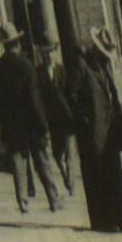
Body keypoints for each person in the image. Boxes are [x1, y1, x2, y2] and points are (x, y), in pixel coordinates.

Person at [0, 29, 61, 213]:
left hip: (11, 125)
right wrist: (43, 125)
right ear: (16, 43)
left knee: (18, 165)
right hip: (31, 124)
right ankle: (54, 200)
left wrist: (4, 121)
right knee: (42, 163)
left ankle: (22, 201)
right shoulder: (26, 65)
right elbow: (34, 99)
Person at [70, 38, 122, 234]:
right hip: (95, 132)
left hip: (110, 131)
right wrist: (85, 121)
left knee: (116, 176)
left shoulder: (103, 67)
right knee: (101, 177)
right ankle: (105, 220)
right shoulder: (83, 66)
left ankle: (121, 217)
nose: (106, 58)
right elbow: (72, 95)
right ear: (96, 50)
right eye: (104, 53)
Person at [38, 44, 78, 198]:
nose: (48, 56)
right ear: (42, 55)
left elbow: (69, 93)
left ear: (55, 52)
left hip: (66, 118)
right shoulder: (39, 72)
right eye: (45, 53)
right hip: (52, 121)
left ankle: (71, 183)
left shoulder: (62, 70)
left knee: (69, 153)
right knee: (56, 154)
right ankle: (64, 174)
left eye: (51, 52)